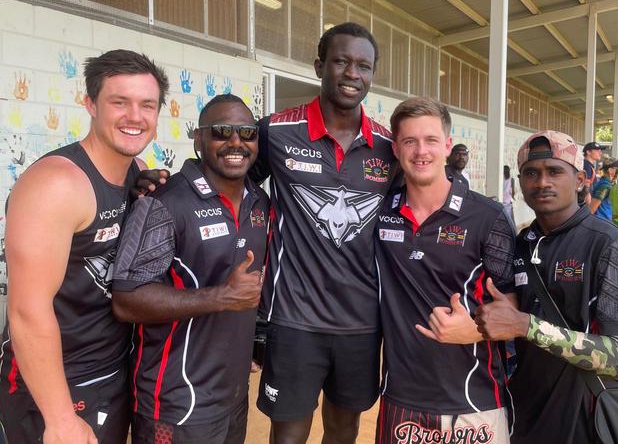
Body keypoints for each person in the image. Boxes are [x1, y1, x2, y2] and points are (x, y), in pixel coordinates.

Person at [0, 50, 169, 444]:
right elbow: (27, 311)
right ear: (90, 104)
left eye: (147, 104)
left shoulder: (137, 171)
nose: (135, 116)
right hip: (54, 382)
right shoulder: (57, 184)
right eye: (119, 102)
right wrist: (58, 418)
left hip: (112, 369)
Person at [250, 22, 396, 444]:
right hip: (294, 319)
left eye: (364, 66)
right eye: (342, 61)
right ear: (319, 66)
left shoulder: (389, 146)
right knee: (289, 434)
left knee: (344, 429)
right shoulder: (276, 131)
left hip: (362, 323)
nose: (353, 73)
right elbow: (235, 183)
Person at [111, 94, 270, 443]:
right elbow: (126, 300)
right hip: (176, 402)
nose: (235, 142)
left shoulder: (260, 202)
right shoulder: (164, 202)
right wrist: (222, 297)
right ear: (198, 139)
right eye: (221, 132)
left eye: (247, 133)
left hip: (232, 395)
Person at [475, 130, 618, 444]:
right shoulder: (519, 245)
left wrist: (526, 325)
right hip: (524, 414)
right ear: (519, 183)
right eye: (531, 173)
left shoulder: (612, 245)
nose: (542, 182)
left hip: (586, 418)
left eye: (555, 171)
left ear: (581, 179)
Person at [374, 97, 516, 444]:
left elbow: (514, 308)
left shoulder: (489, 216)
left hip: (474, 400)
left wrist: (475, 331)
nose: (421, 151)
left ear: (447, 146)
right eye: (410, 141)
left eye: (431, 140)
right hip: (401, 400)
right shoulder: (378, 214)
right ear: (396, 148)